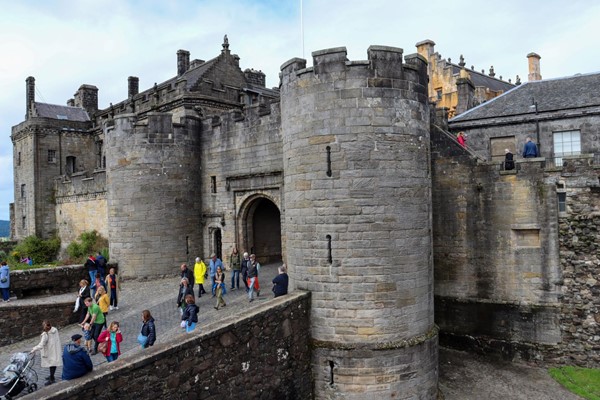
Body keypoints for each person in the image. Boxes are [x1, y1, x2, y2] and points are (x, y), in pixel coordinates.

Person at [30, 320, 62, 386]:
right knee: (53, 363)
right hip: (55, 349)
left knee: (52, 364)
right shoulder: (55, 330)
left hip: (50, 351)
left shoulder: (45, 335)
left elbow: (41, 345)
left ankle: (52, 378)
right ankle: (51, 376)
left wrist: (34, 349)